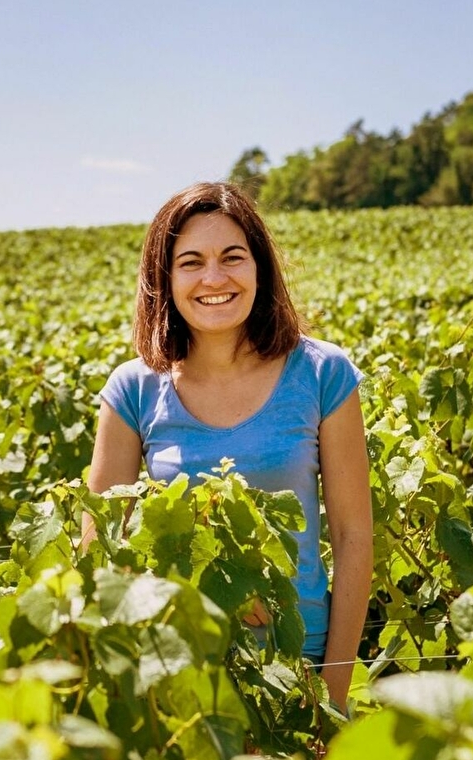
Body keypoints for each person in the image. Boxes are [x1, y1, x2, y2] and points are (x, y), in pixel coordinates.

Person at [84, 181, 372, 712]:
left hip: (299, 666)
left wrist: (331, 696)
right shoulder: (133, 390)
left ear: (259, 267)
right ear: (163, 279)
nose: (214, 279)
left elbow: (353, 538)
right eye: (191, 262)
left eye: (232, 257)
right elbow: (101, 555)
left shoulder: (323, 374)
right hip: (179, 677)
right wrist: (208, 596)